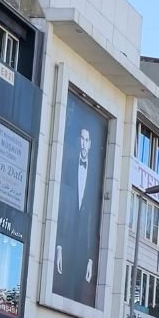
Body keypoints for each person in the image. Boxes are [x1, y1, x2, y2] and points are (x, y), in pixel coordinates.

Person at [53, 120, 100, 306]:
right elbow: (61, 207)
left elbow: (92, 219)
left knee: (79, 292)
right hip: (67, 241)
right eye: (81, 138)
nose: (83, 142)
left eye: (86, 139)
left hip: (83, 246)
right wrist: (58, 246)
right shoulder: (69, 168)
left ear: (90, 144)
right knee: (64, 287)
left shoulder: (95, 176)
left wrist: (90, 258)